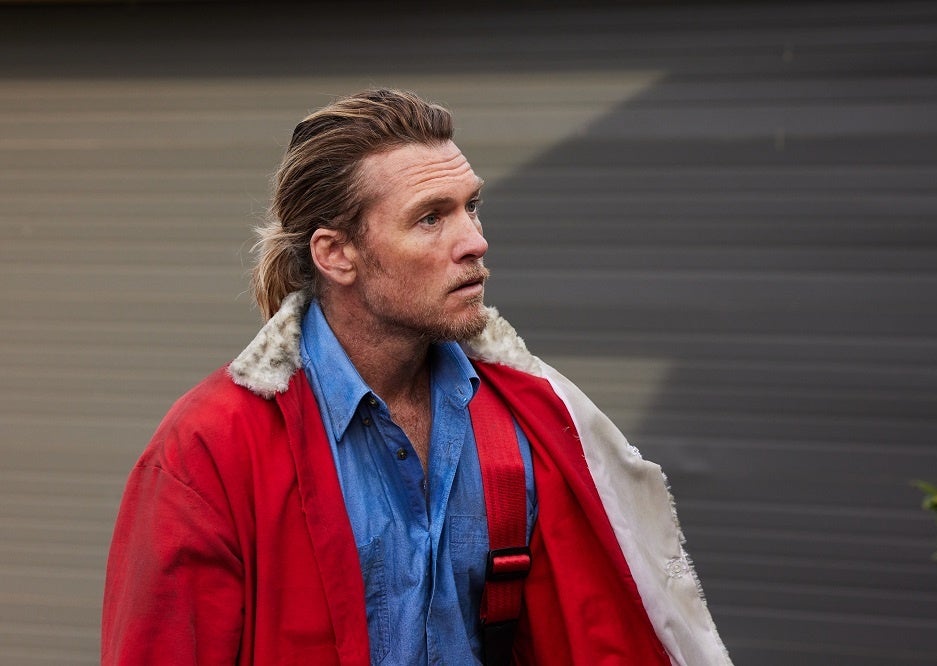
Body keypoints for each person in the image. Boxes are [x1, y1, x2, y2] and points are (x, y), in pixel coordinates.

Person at [101, 88, 730, 666]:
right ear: (336, 254)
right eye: (431, 217)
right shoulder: (209, 450)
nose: (474, 241)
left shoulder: (528, 422)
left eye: (471, 207)